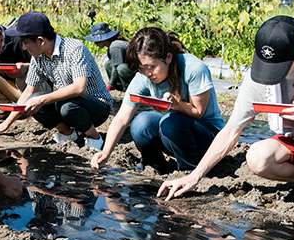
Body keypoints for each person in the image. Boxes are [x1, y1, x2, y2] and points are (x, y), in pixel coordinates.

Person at [156, 16, 294, 212]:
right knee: (258, 157)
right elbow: (232, 129)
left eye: (279, 68)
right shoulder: (257, 77)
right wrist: (195, 175)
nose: (270, 75)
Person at [90, 27, 224, 173]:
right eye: (142, 68)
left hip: (209, 138)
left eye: (152, 67)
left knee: (171, 122)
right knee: (141, 122)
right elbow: (122, 118)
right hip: (174, 134)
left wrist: (177, 105)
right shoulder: (144, 76)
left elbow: (198, 112)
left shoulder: (194, 68)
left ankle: (189, 170)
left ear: (168, 57)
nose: (148, 73)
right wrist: (105, 153)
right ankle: (156, 167)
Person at [0, 11, 113, 150]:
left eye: (25, 42)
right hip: (68, 106)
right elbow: (28, 91)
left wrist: (42, 99)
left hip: (96, 106)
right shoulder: (38, 57)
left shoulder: (74, 49)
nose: (23, 47)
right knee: (34, 100)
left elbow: (79, 88)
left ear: (41, 41)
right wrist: (6, 123)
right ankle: (69, 134)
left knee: (63, 104)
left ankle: (94, 137)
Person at [0, 17, 33, 105]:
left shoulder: (21, 40)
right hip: (13, 90)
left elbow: (45, 66)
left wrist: (25, 67)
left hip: (31, 91)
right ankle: (5, 108)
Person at [84, 22, 135, 91]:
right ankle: (121, 87)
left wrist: (110, 85)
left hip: (137, 71)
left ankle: (130, 89)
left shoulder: (115, 46)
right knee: (108, 64)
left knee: (121, 68)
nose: (95, 43)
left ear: (104, 39)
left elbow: (116, 67)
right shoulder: (112, 45)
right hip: (131, 68)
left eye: (97, 41)